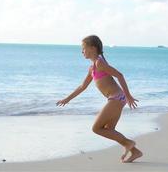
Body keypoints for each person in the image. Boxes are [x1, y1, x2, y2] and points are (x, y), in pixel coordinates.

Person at [56, 35, 142, 163]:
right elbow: (82, 86)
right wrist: (67, 99)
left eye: (83, 48)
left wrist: (128, 95)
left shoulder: (99, 63)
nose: (82, 52)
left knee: (96, 128)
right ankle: (135, 151)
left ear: (92, 48)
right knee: (109, 130)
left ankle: (128, 143)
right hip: (116, 99)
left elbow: (119, 75)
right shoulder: (92, 68)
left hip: (116, 98)